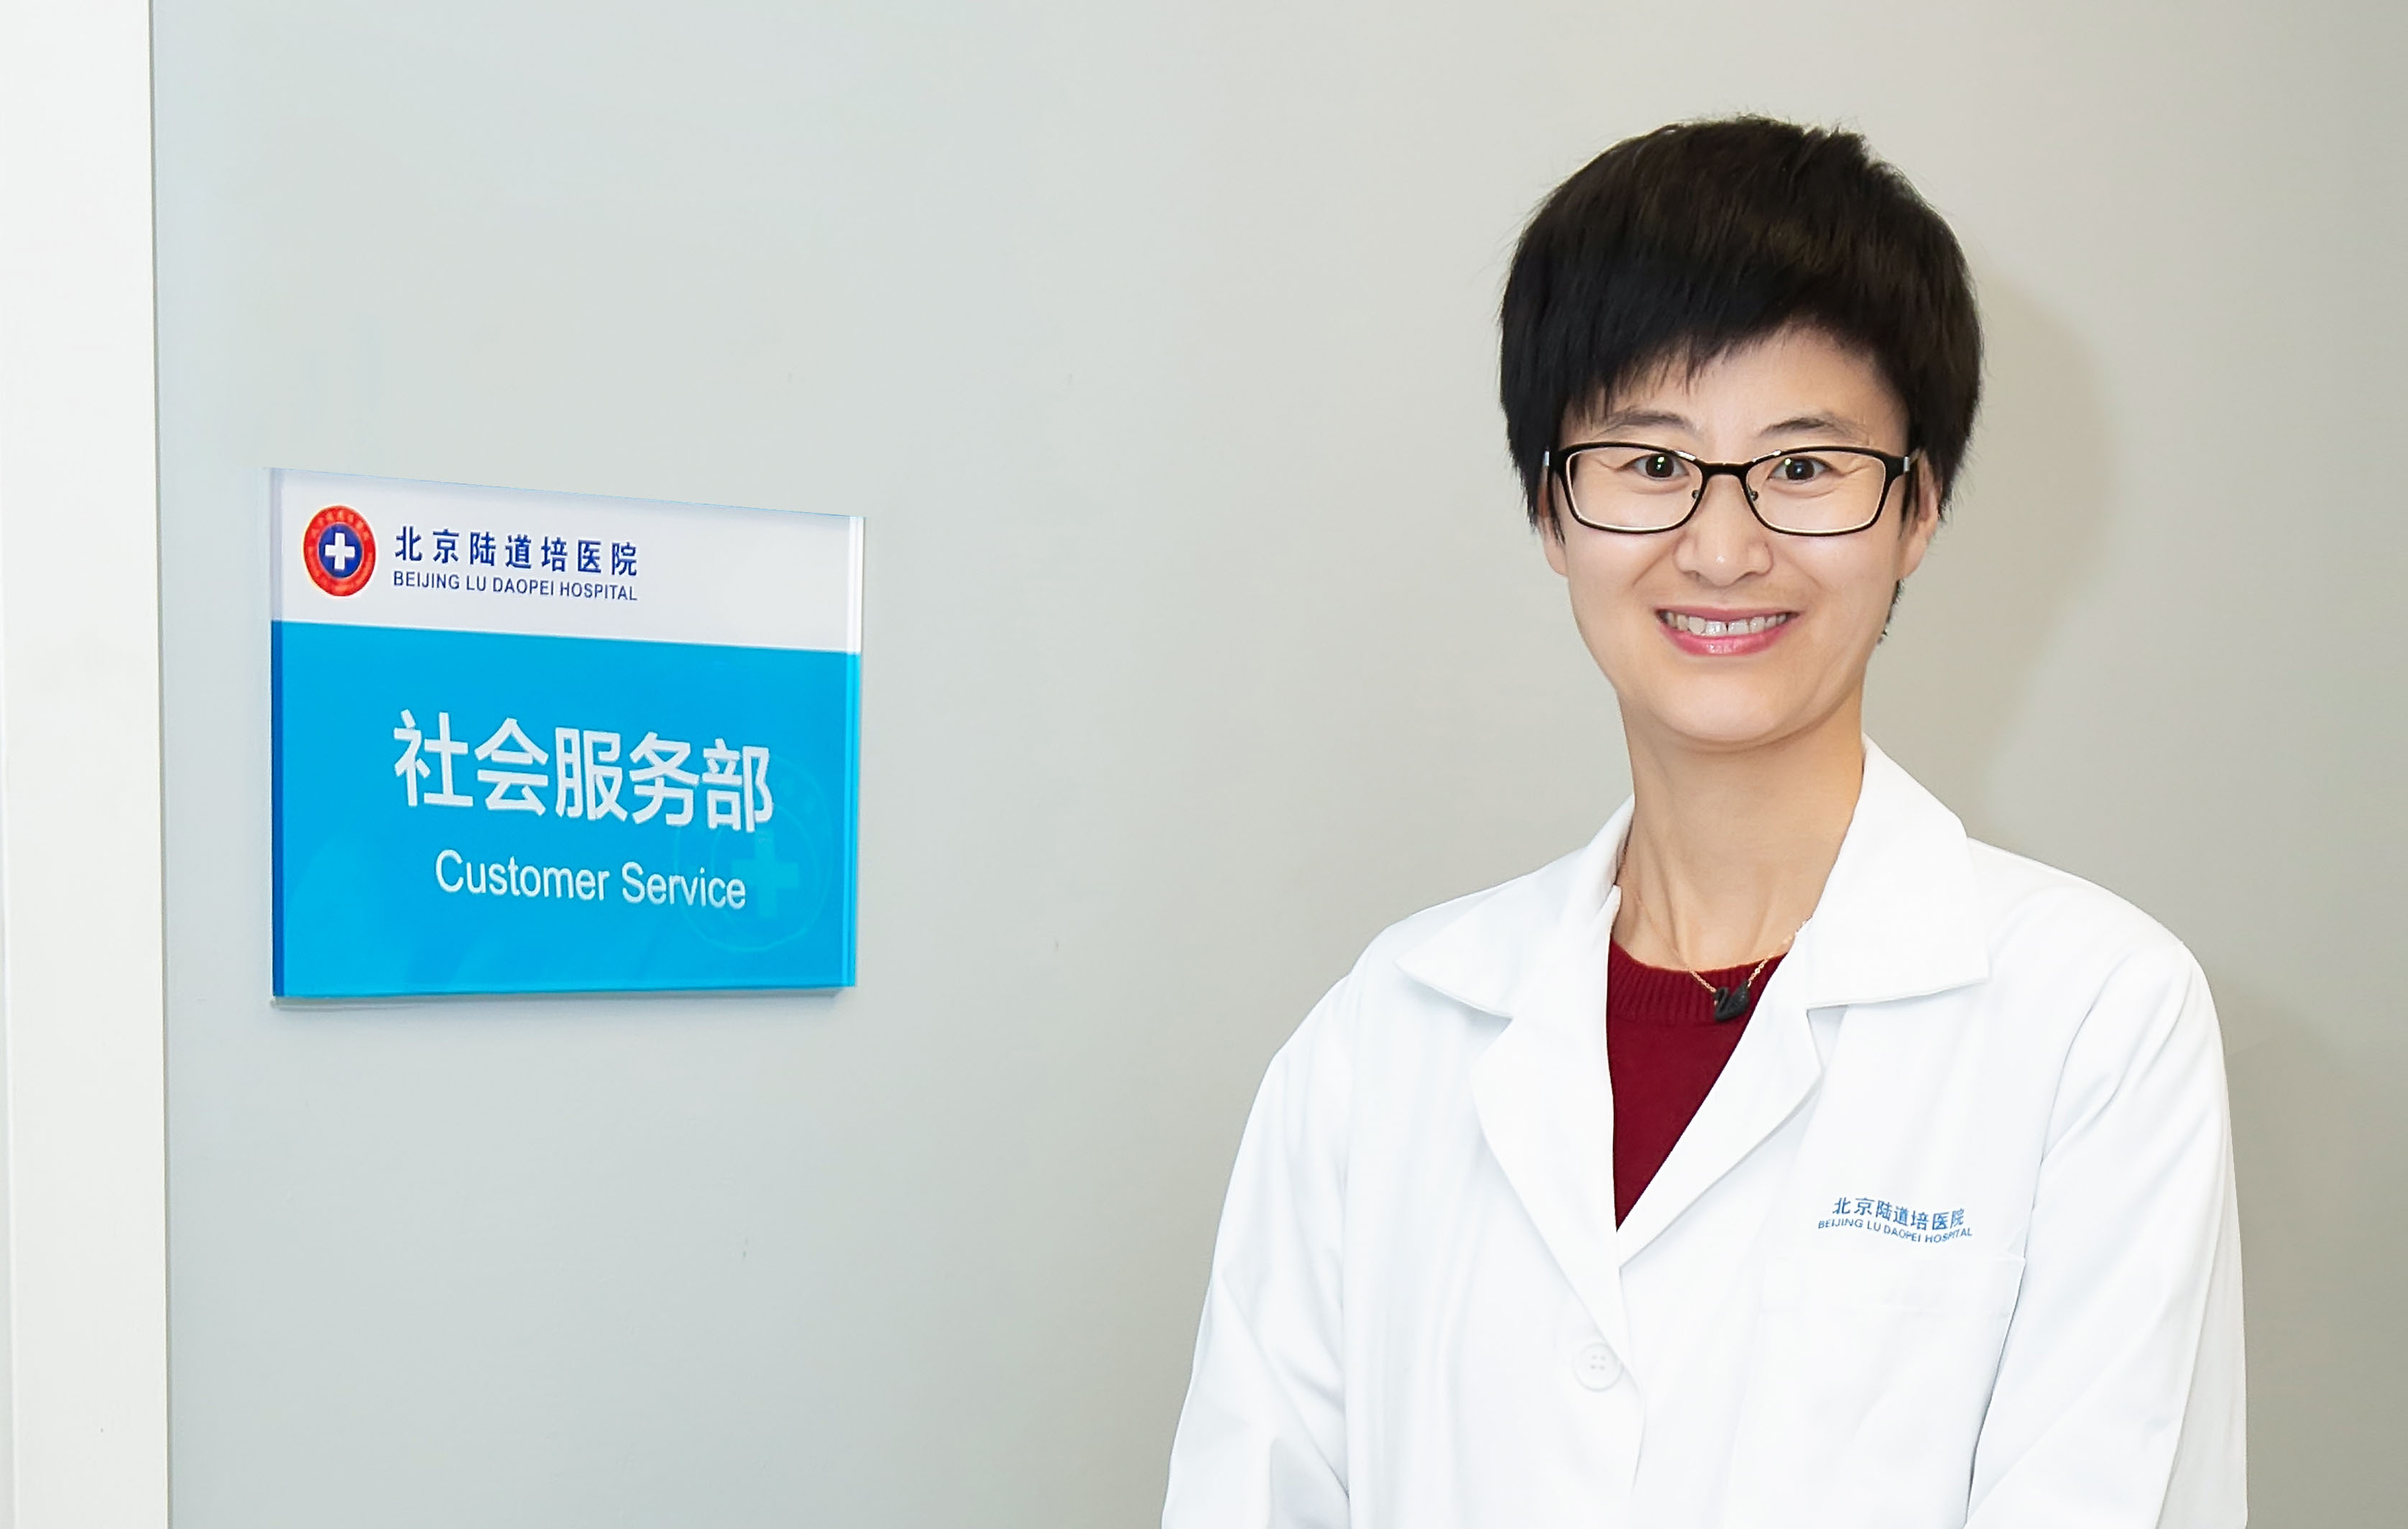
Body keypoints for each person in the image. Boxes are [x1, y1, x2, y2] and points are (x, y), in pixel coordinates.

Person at [1161, 117, 2243, 1528]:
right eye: (1650, 463)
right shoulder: (1387, 1035)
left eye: (1803, 468)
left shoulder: (2093, 1020)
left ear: (1917, 510)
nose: (1722, 548)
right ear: (1549, 510)